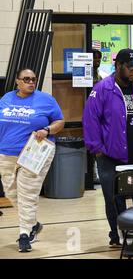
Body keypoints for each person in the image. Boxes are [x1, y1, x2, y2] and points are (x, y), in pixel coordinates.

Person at [83, 48, 133, 247]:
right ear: (118, 66)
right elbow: (90, 120)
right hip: (111, 157)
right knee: (114, 199)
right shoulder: (102, 89)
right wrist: (97, 149)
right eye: (131, 67)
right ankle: (117, 235)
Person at [0, 68, 65, 252]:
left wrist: (48, 130)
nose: (30, 82)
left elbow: (60, 121)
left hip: (35, 151)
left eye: (33, 79)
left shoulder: (46, 100)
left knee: (27, 193)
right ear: (17, 81)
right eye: (26, 79)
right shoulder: (6, 98)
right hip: (6, 152)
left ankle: (24, 234)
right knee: (12, 193)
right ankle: (33, 224)